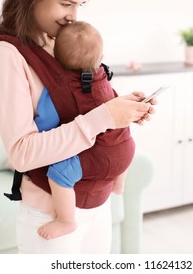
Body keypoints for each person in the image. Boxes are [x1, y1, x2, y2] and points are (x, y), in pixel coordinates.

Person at [0, 0, 156, 254]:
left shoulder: (62, 40)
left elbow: (80, 108)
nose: (73, 15)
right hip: (50, 214)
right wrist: (105, 117)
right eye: (65, 3)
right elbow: (22, 153)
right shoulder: (7, 54)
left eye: (79, 5)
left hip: (98, 203)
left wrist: (123, 110)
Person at [35, 20, 134, 240]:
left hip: (97, 158)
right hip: (126, 152)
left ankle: (65, 220)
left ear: (57, 59)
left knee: (59, 174)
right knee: (123, 138)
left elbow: (45, 121)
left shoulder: (58, 88)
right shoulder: (105, 80)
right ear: (101, 57)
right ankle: (119, 181)